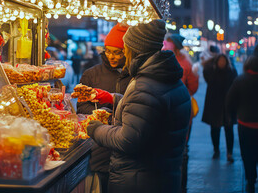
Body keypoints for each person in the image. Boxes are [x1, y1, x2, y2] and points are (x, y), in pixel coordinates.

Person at [86, 20, 191, 193]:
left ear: (134, 51)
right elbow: (150, 113)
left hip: (139, 181)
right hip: (163, 176)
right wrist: (116, 100)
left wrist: (97, 130)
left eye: (125, 49)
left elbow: (128, 140)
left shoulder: (146, 85)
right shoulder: (169, 79)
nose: (124, 54)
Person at [78, 23, 132, 193]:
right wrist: (103, 115)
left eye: (117, 52)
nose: (111, 56)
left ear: (127, 52)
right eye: (108, 51)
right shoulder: (91, 74)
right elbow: (81, 107)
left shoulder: (135, 77)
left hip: (126, 147)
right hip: (99, 146)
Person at [226, 45, 258, 193]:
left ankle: (250, 181)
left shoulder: (240, 80)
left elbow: (229, 102)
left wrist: (232, 116)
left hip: (246, 124)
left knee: (248, 154)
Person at [162, 34, 199, 192]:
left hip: (177, 112)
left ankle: (180, 186)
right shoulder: (185, 61)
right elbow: (192, 88)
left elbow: (193, 87)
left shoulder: (184, 63)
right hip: (177, 111)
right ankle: (179, 186)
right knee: (181, 149)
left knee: (180, 150)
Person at [202, 53, 237, 162]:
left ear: (227, 62)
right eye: (219, 60)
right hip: (214, 104)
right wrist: (212, 57)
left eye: (224, 60)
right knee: (215, 129)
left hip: (228, 105)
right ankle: (216, 150)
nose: (222, 62)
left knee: (229, 129)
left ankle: (229, 153)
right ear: (216, 62)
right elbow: (205, 69)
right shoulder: (211, 72)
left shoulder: (231, 72)